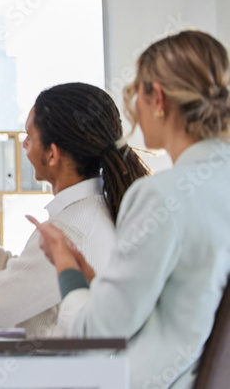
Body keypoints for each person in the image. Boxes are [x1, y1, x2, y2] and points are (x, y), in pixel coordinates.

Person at [31, 30, 230, 389]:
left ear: (157, 98)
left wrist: (65, 265)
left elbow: (95, 336)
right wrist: (97, 282)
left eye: (136, 90)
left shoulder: (161, 197)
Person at [0, 82, 149, 335]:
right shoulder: (91, 212)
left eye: (29, 137)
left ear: (52, 155)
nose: (23, 145)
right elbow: (18, 285)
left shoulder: (70, 231)